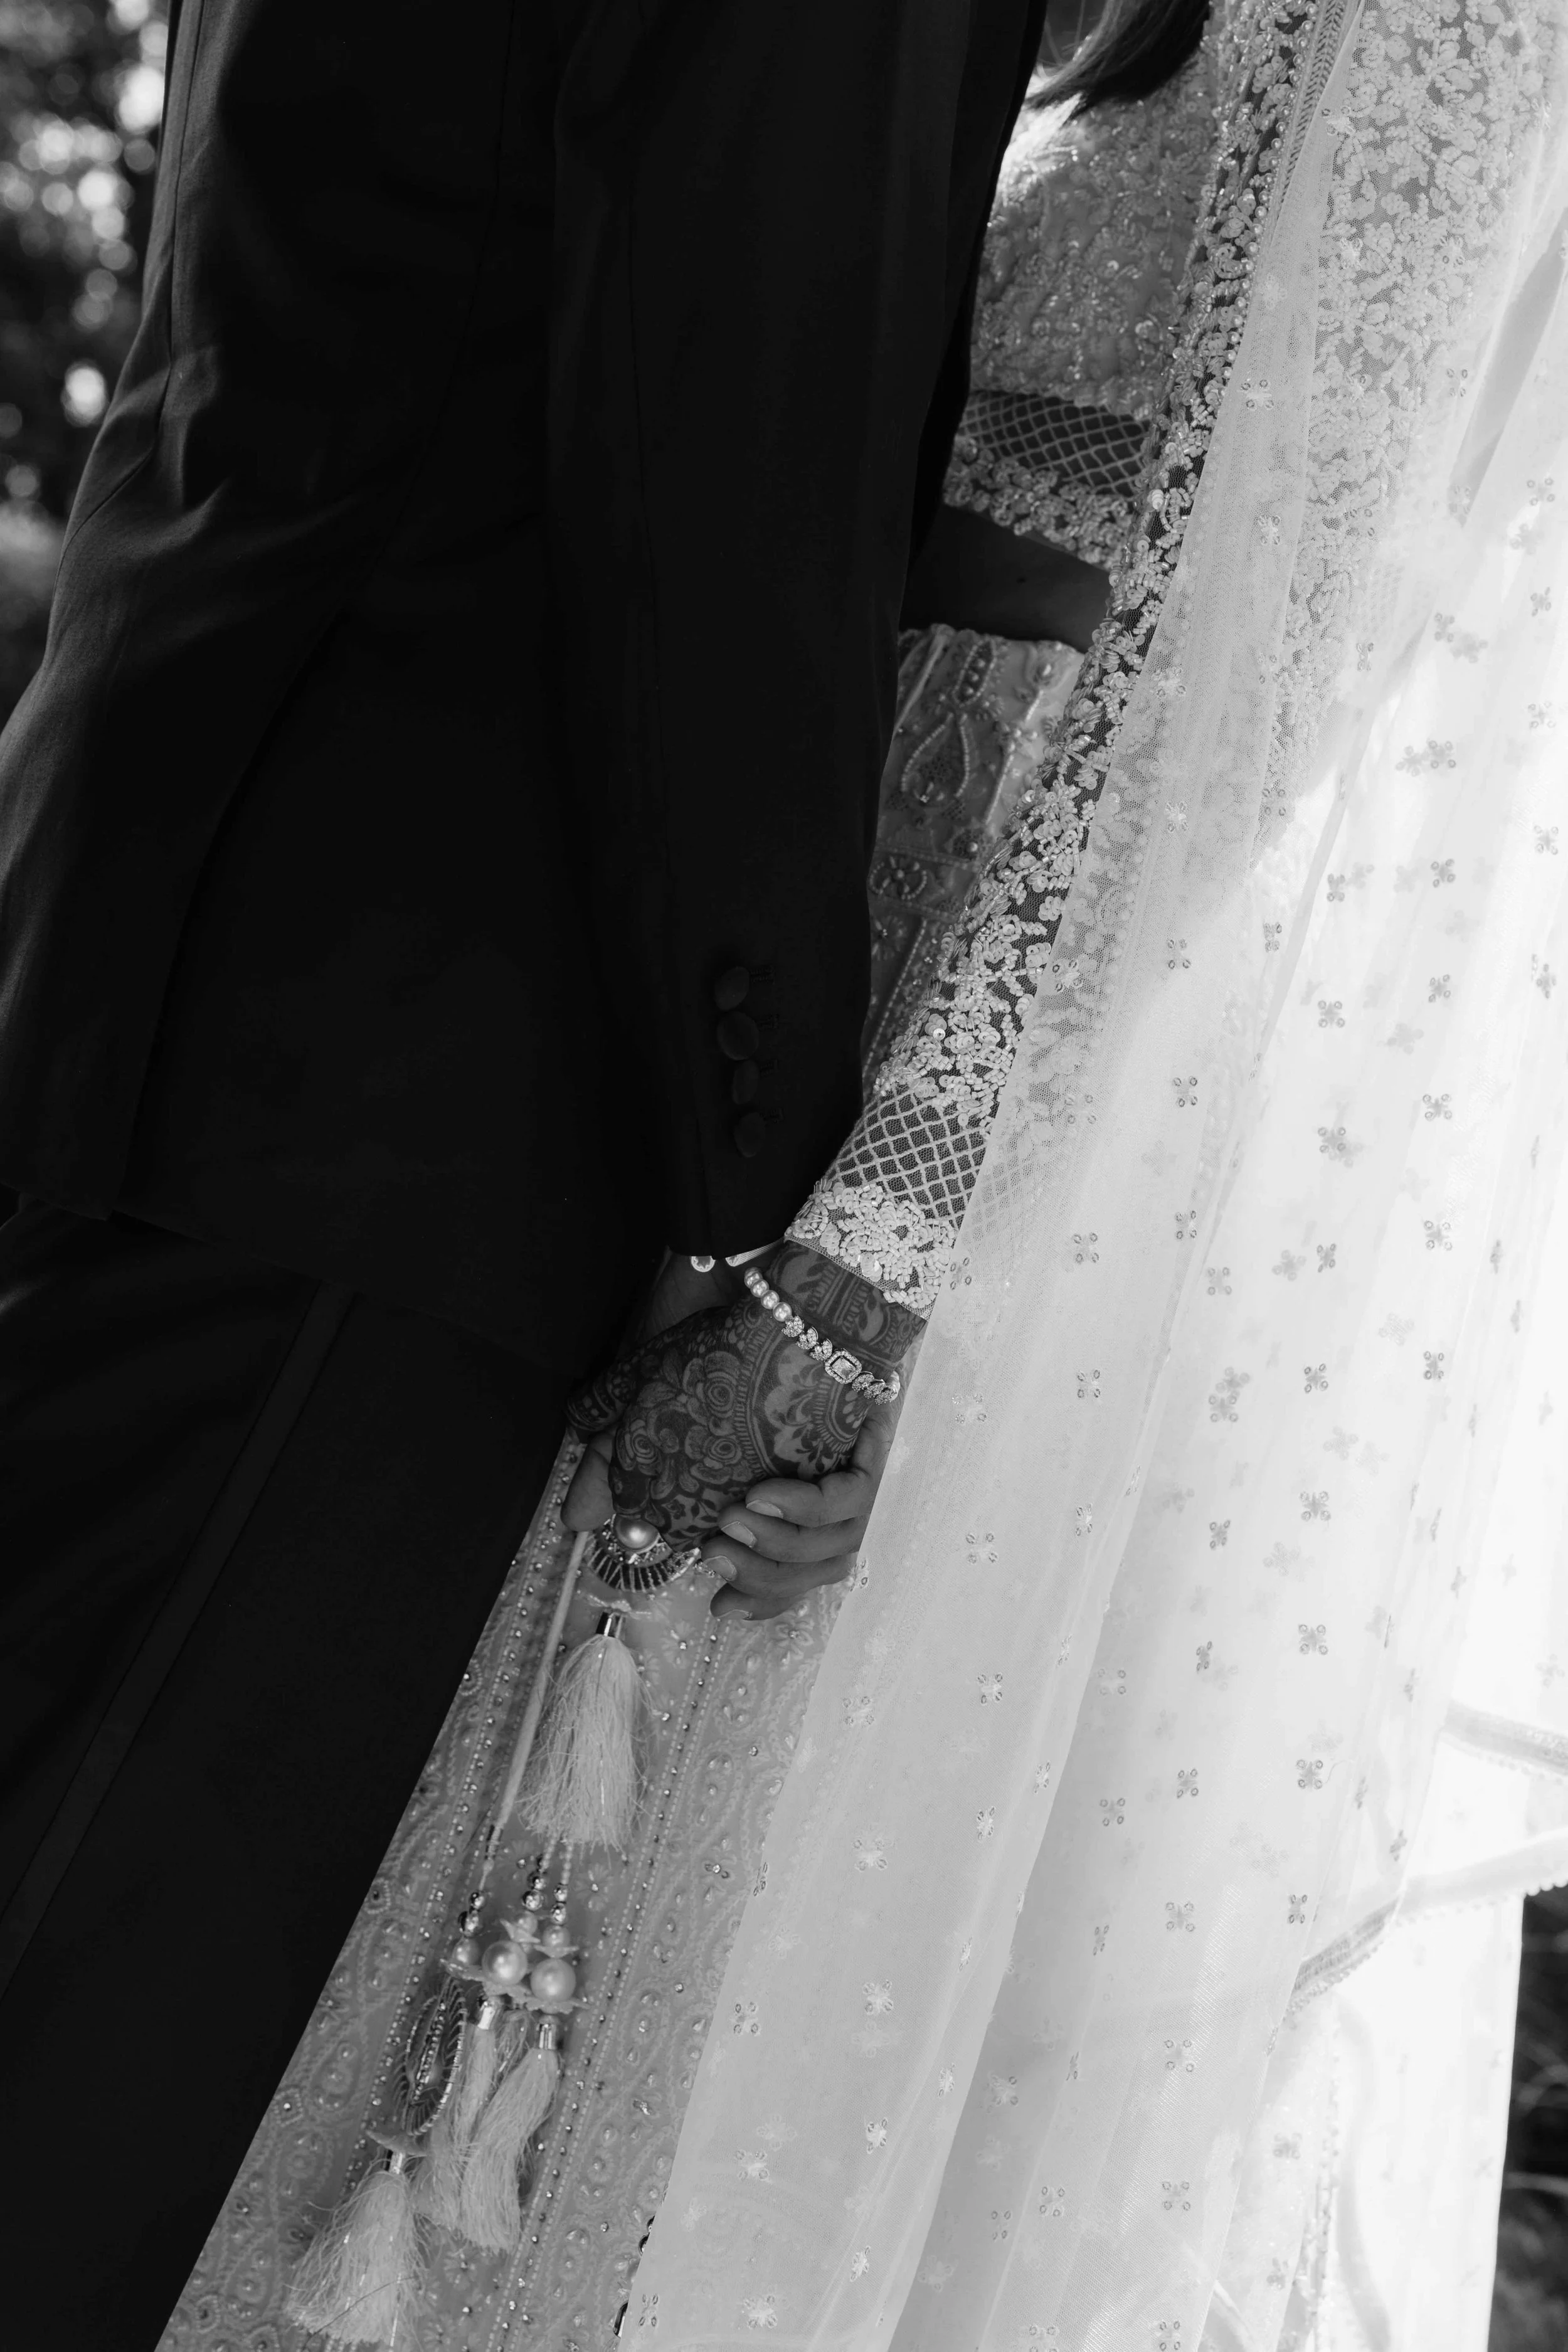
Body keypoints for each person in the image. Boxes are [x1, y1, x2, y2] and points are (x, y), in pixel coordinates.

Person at [171, 0, 1568, 2341]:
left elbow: (1217, 726)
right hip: (722, 1061)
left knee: (597, 2039)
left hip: (938, 1178)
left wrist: (850, 1286)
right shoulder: (1082, 38)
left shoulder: (1447, 48)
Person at [0, 1, 1052, 2341]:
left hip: (160, 929)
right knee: (66, 2073)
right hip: (407, 1055)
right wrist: (741, 1193)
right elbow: (726, 453)